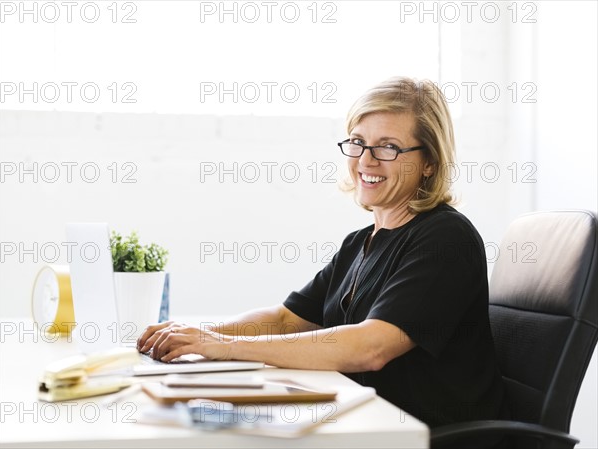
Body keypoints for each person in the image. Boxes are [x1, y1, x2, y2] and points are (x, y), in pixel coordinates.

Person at [137, 76, 508, 429]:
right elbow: (286, 320)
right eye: (358, 142)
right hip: (363, 421)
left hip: (420, 436)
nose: (366, 160)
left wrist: (226, 346)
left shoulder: (445, 238)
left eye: (388, 147)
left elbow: (371, 346)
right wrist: (198, 334)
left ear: (429, 162)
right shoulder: (359, 243)